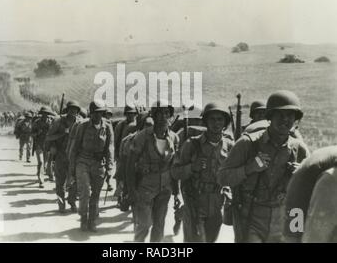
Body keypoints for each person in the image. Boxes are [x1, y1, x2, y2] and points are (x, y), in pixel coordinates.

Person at [218, 90, 310, 243]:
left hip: (283, 218)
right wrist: (249, 168)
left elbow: (312, 188)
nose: (285, 120)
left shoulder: (299, 149)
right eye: (280, 114)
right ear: (270, 116)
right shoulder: (248, 144)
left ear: (295, 119)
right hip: (251, 217)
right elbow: (222, 177)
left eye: (290, 115)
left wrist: (300, 177)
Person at [172, 102, 234, 242]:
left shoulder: (230, 146)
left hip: (217, 203)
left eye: (220, 119)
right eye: (212, 119)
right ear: (205, 121)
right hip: (195, 202)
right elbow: (175, 172)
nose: (216, 123)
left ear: (225, 122)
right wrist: (192, 167)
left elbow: (234, 173)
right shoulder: (192, 144)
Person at [126, 100, 179, 242]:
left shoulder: (174, 138)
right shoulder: (142, 136)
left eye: (166, 113)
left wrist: (177, 193)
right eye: (159, 113)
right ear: (153, 116)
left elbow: (174, 166)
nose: (163, 117)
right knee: (144, 224)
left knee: (159, 225)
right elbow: (130, 164)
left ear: (171, 116)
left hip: (165, 187)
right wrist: (130, 190)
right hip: (145, 187)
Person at [68, 100, 114, 232]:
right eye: (95, 113)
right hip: (83, 161)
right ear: (91, 113)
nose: (98, 116)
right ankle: (83, 218)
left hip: (99, 163)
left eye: (101, 113)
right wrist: (71, 170)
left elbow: (110, 148)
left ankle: (92, 220)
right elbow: (74, 148)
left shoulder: (107, 127)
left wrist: (109, 167)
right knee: (85, 192)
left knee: (96, 194)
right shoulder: (82, 126)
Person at [283, 145, 337, 243]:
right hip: (301, 189)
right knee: (294, 235)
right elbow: (317, 231)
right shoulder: (331, 178)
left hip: (311, 174)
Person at [46, 101, 81, 213]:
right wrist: (62, 134)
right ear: (68, 109)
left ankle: (72, 201)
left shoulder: (80, 123)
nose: (73, 112)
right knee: (60, 182)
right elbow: (49, 137)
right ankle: (61, 204)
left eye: (75, 110)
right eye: (71, 109)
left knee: (75, 181)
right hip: (61, 155)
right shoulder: (58, 121)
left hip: (75, 157)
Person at [32, 107, 55, 187]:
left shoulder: (51, 122)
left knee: (44, 163)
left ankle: (40, 173)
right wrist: (37, 133)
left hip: (47, 146)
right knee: (41, 162)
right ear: (41, 114)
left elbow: (54, 133)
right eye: (44, 114)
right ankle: (41, 180)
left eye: (47, 114)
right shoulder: (36, 122)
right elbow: (32, 134)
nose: (45, 115)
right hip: (39, 145)